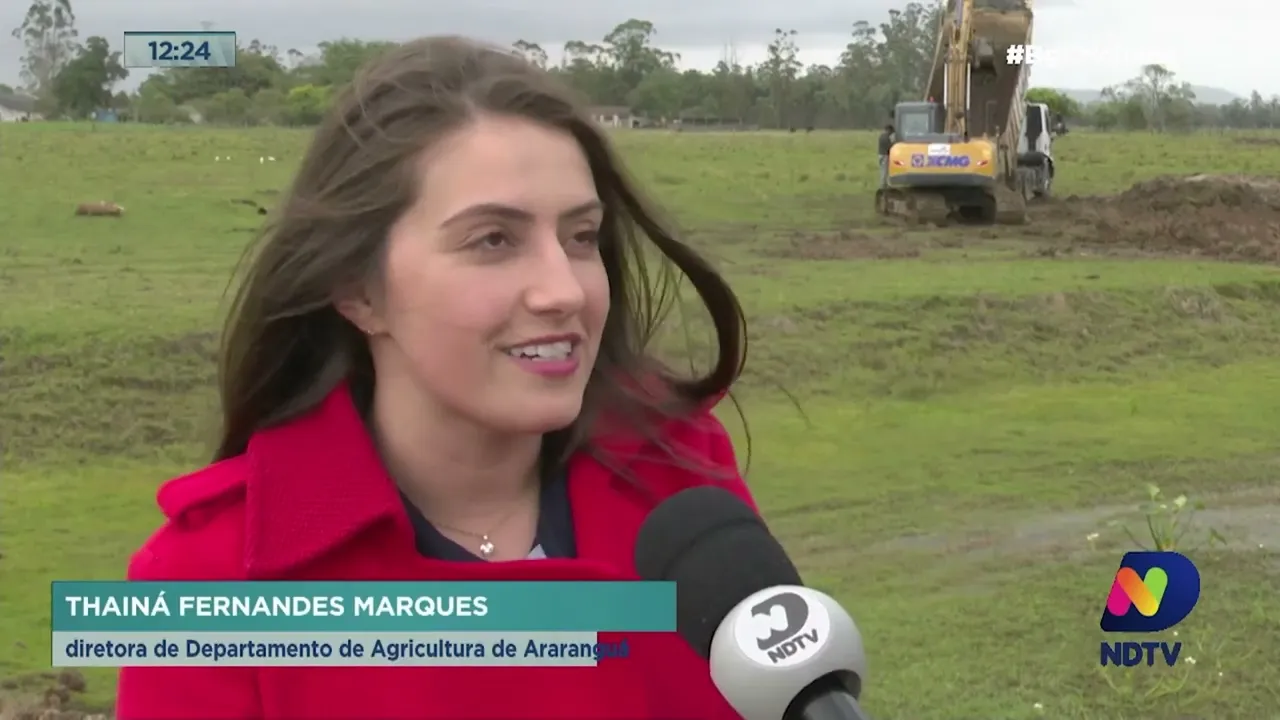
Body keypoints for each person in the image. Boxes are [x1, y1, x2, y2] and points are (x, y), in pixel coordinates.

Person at [115, 36, 753, 719]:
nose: (563, 291)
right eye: (494, 241)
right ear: (357, 289)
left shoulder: (679, 484)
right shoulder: (210, 582)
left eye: (581, 237)